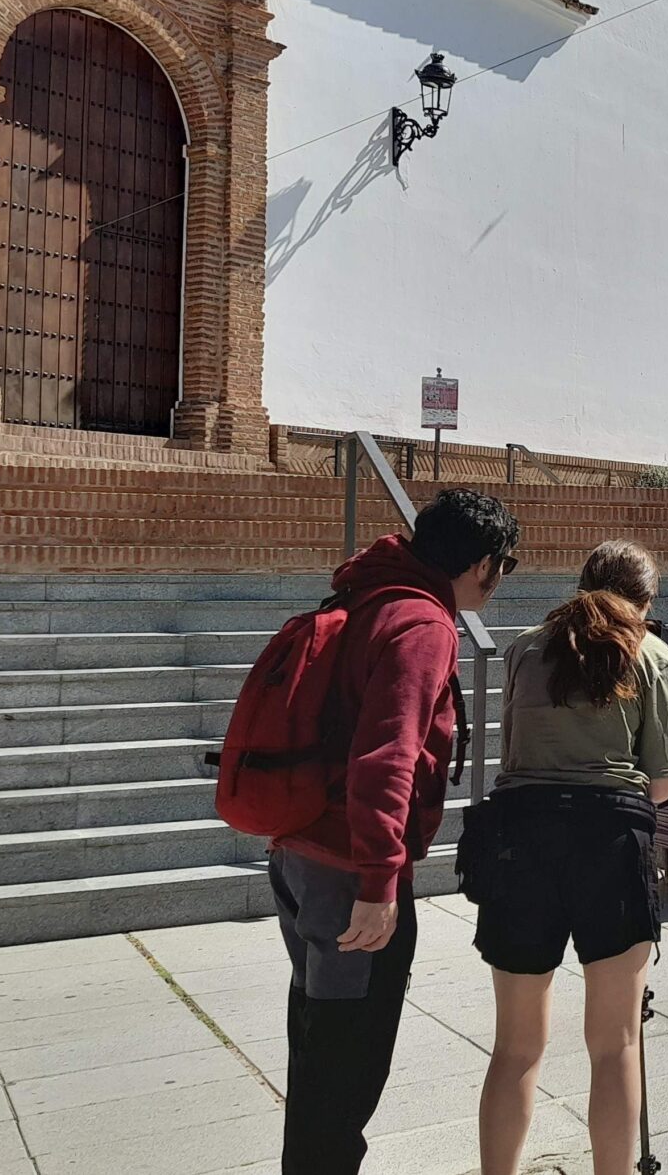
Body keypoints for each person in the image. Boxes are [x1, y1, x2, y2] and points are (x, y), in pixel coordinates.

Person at [268, 488, 519, 1175]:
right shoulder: (422, 623)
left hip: (304, 851)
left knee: (319, 1053)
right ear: (483, 562)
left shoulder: (366, 594)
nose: (501, 580)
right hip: (353, 869)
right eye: (507, 564)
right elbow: (387, 754)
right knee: (344, 1073)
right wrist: (380, 881)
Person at [471, 541, 668, 1175]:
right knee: (615, 1041)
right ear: (646, 600)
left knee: (514, 1044)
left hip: (521, 836)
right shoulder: (653, 655)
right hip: (608, 836)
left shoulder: (525, 647)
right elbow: (664, 778)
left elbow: (512, 753)